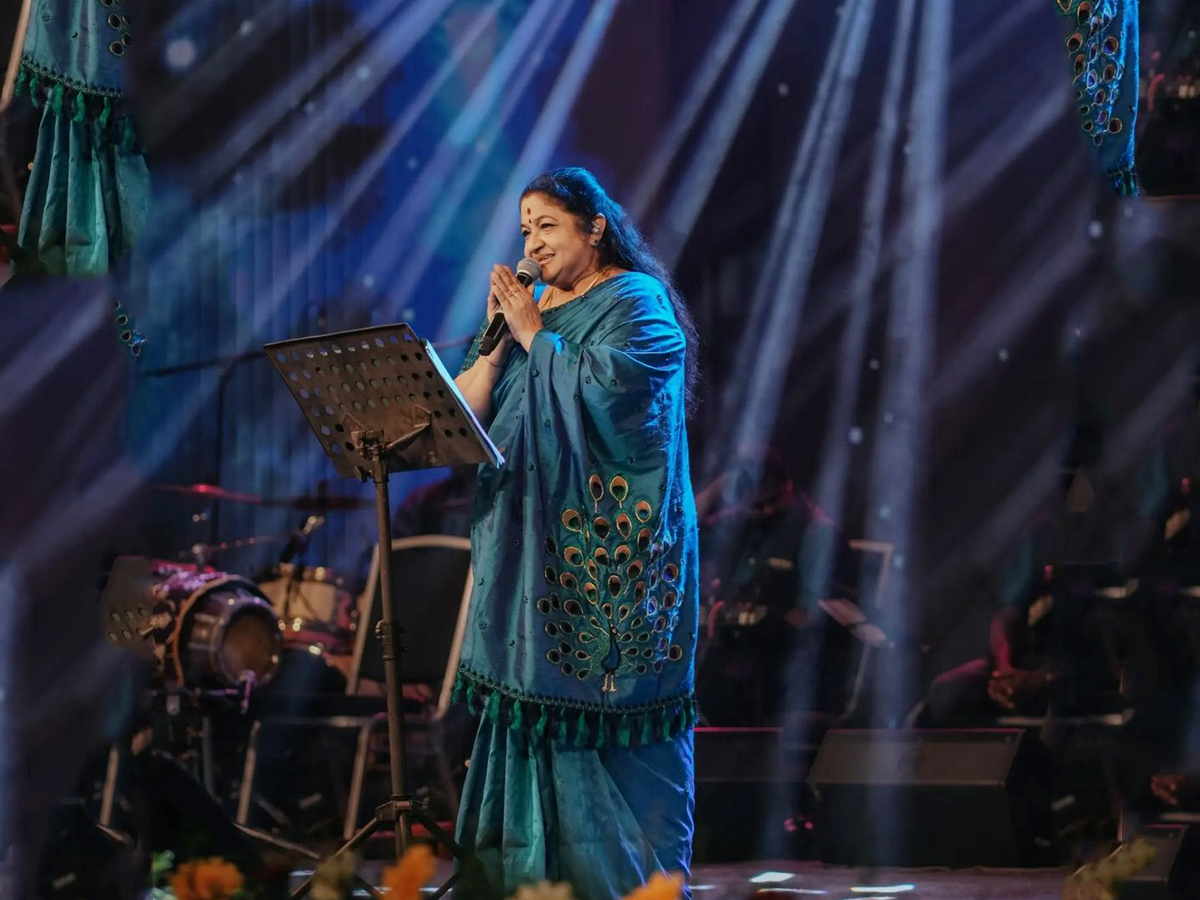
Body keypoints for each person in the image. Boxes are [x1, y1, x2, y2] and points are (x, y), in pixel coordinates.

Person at [451, 167, 700, 899]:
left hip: (605, 558)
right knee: (523, 713)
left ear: (595, 227)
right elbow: (463, 418)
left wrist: (537, 338)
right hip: (524, 544)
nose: (532, 242)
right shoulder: (529, 315)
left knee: (606, 720)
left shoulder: (636, 302)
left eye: (547, 225)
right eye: (525, 228)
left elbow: (622, 400)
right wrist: (498, 344)